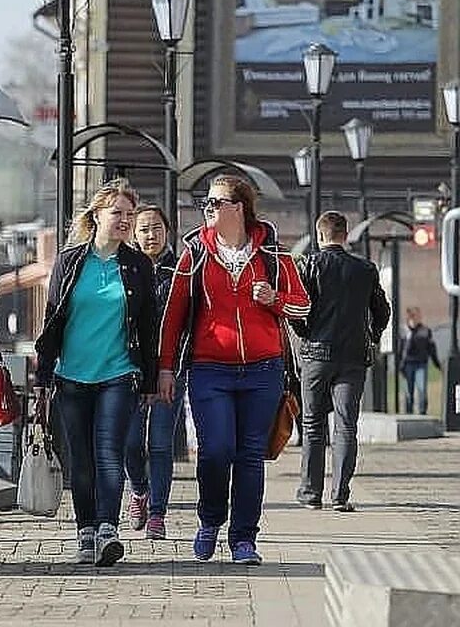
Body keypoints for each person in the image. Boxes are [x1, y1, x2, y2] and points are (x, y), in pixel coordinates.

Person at [158, 175, 309, 565]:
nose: (208, 209)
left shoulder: (276, 256)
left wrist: (275, 298)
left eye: (216, 202)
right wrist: (165, 368)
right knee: (216, 450)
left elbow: (304, 307)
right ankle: (210, 520)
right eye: (205, 203)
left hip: (263, 371)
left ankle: (244, 539)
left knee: (249, 456)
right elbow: (174, 316)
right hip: (210, 370)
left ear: (239, 208)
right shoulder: (193, 255)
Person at [32, 179, 157, 567]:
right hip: (71, 376)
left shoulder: (137, 266)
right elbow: (52, 318)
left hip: (118, 374)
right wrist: (43, 377)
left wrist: (151, 379)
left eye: (129, 215)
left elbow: (150, 326)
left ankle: (107, 529)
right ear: (97, 215)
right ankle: (85, 528)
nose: (124, 221)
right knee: (80, 459)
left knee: (109, 455)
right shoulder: (71, 261)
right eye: (117, 213)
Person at [293, 211, 390, 513]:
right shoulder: (364, 269)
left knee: (312, 425)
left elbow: (297, 309)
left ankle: (311, 494)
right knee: (347, 425)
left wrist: (307, 334)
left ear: (320, 235)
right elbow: (382, 310)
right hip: (353, 358)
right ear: (345, 235)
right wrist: (372, 336)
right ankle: (340, 495)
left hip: (317, 357)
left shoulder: (309, 265)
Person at [124, 203, 182, 539]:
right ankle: (139, 491)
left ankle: (158, 513)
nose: (150, 234)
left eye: (156, 227)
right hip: (131, 369)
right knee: (131, 442)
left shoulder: (182, 269)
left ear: (167, 231)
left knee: (160, 443)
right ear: (134, 233)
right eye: (143, 228)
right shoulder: (126, 267)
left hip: (170, 369)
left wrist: (173, 366)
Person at [400, 306, 441, 415]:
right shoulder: (405, 332)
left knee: (422, 389)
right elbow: (402, 350)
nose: (414, 318)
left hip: (421, 364)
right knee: (408, 391)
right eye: (412, 316)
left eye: (416, 316)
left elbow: (432, 349)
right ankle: (408, 413)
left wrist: (437, 364)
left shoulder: (425, 331)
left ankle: (422, 412)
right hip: (408, 364)